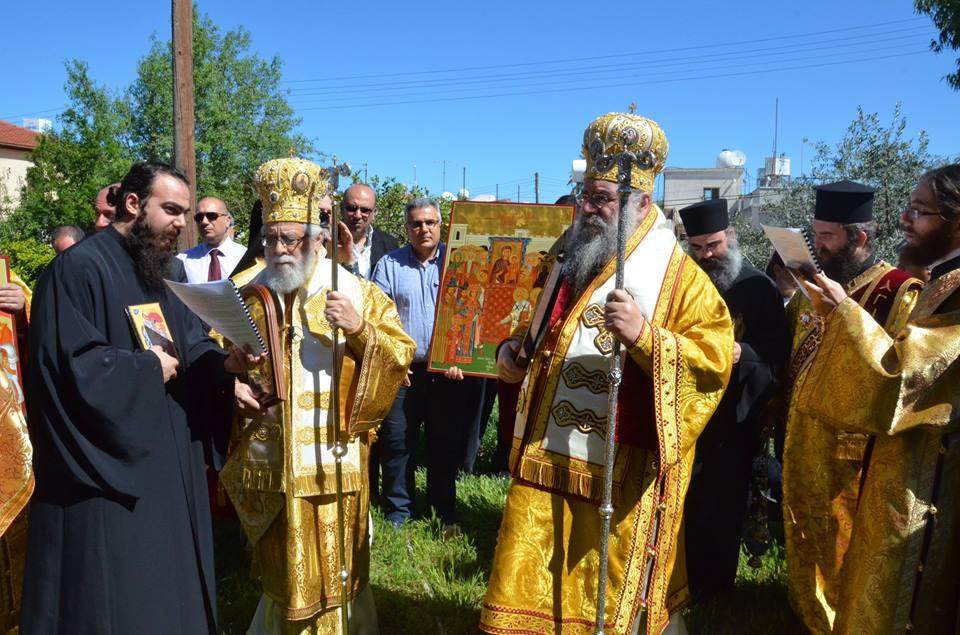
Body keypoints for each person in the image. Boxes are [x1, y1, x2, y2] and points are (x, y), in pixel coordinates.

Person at [479, 112, 733, 635]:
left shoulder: (678, 278)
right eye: (585, 194)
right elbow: (537, 328)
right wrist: (511, 355)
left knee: (609, 596)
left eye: (604, 198)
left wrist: (646, 337)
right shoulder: (568, 255)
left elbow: (712, 360)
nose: (589, 208)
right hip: (545, 461)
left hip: (624, 472)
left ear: (641, 203)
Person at [21, 161, 259, 634]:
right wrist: (148, 367)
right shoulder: (77, 270)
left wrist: (225, 368)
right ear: (133, 204)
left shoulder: (164, 270)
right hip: (110, 477)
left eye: (186, 213)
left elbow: (191, 342)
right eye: (171, 210)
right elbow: (72, 369)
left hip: (170, 465)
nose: (182, 223)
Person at [221, 158, 413, 633]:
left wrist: (360, 328)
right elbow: (214, 356)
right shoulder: (245, 289)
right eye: (272, 239)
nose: (281, 250)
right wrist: (231, 380)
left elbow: (400, 358)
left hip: (334, 456)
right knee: (281, 572)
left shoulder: (354, 290)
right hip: (269, 455)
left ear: (318, 237)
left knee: (338, 571)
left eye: (292, 239)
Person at [793, 163, 960, 633]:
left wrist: (844, 312)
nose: (905, 219)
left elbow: (900, 378)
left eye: (919, 210)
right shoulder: (943, 279)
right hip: (901, 469)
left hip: (933, 481)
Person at [780, 179, 923, 634]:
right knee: (805, 537)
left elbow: (898, 367)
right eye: (814, 234)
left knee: (841, 549)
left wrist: (845, 313)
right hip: (803, 436)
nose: (817, 246)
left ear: (859, 237)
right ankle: (804, 615)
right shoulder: (818, 284)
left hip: (853, 451)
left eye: (827, 237)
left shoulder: (899, 290)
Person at [678, 198, 790, 603]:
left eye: (714, 245)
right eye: (698, 248)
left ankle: (713, 591)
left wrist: (745, 355)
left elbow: (777, 356)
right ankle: (676, 582)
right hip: (685, 411)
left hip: (732, 419)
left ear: (732, 237)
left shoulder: (759, 288)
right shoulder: (684, 284)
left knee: (720, 504)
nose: (707, 256)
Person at [371, 197, 482, 532]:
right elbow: (379, 317)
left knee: (445, 443)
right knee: (397, 441)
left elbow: (475, 311)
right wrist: (396, 360)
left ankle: (442, 511)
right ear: (407, 228)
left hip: (449, 372)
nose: (423, 229)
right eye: (416, 223)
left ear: (441, 225)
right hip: (403, 371)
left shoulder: (460, 262)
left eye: (430, 222)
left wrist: (460, 357)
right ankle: (398, 512)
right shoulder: (389, 264)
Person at [177, 196, 246, 283]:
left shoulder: (244, 257)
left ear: (227, 221)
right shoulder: (183, 261)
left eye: (211, 216)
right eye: (199, 217)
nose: (204, 221)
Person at [340, 183, 398, 279]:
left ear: (374, 213)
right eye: (351, 208)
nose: (358, 215)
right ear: (341, 209)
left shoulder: (389, 245)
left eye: (365, 210)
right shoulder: (326, 242)